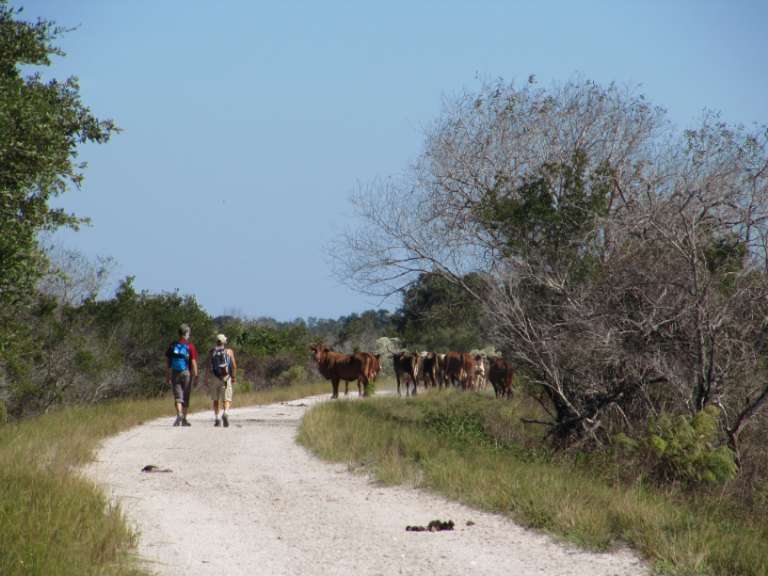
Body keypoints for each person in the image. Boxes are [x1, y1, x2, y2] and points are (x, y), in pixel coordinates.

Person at [165, 323, 199, 426]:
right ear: (186, 333)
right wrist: (196, 375)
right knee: (186, 396)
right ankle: (184, 419)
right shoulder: (190, 346)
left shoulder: (173, 345)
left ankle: (179, 413)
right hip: (186, 372)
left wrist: (167, 375)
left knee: (178, 396)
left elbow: (167, 362)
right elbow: (193, 362)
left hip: (175, 372)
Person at [205, 333, 237, 427]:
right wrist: (233, 377)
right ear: (224, 342)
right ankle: (225, 413)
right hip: (226, 377)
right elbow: (234, 366)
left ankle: (217, 419)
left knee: (215, 399)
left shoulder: (212, 352)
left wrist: (206, 378)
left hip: (215, 377)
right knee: (226, 399)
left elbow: (208, 366)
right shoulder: (229, 351)